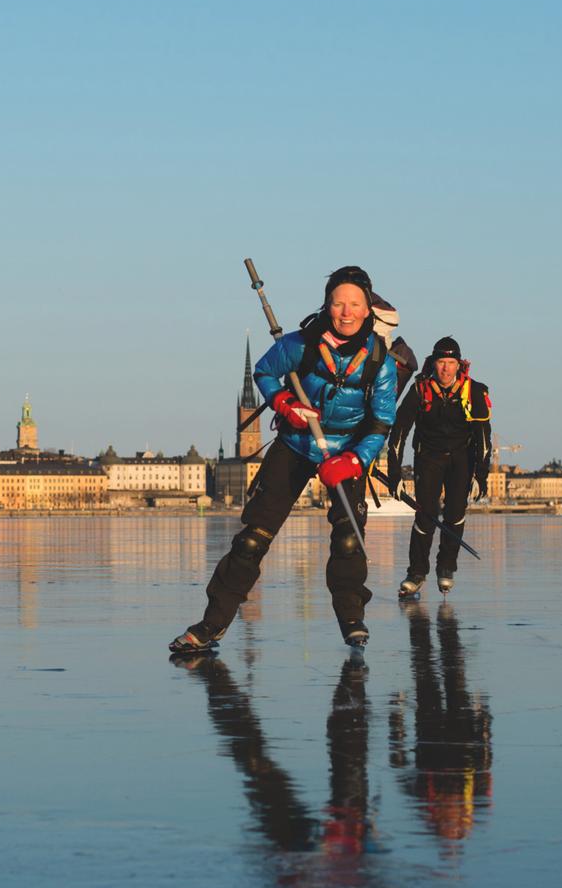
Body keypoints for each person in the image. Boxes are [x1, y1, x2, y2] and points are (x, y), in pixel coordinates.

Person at [170, 266, 398, 652]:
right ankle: (212, 624)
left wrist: (355, 461)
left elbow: (381, 422)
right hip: (294, 444)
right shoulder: (300, 344)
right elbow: (265, 372)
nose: (345, 311)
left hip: (344, 453)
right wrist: (283, 403)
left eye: (354, 304)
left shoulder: (381, 362)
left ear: (367, 310)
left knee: (347, 539)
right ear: (327, 305)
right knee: (252, 540)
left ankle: (352, 618)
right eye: (338, 302)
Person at [388, 336, 491, 596]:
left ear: (459, 365)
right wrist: (394, 473)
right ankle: (416, 572)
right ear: (434, 364)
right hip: (428, 457)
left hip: (461, 459)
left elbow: (483, 439)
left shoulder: (474, 391)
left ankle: (446, 568)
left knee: (455, 513)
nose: (445, 368)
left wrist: (481, 475)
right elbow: (399, 432)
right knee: (426, 515)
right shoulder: (419, 390)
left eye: (450, 362)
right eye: (441, 362)